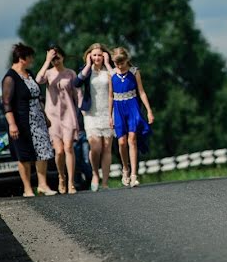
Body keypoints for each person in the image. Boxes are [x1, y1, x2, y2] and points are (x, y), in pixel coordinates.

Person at [2, 43, 57, 197]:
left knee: (42, 151)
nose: (32, 59)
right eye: (30, 57)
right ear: (21, 59)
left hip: (37, 118)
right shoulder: (10, 78)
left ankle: (43, 185)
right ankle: (27, 188)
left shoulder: (30, 74)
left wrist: (45, 117)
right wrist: (12, 124)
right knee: (24, 155)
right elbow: (6, 104)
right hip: (21, 122)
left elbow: (38, 97)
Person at [36, 45, 80, 194]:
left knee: (68, 148)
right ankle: (62, 176)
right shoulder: (48, 73)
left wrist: (84, 112)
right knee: (59, 151)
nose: (56, 61)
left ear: (63, 57)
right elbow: (38, 79)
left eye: (57, 57)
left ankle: (71, 182)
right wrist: (47, 60)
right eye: (53, 58)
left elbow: (77, 94)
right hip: (52, 116)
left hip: (68, 114)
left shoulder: (70, 73)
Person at [109, 47, 154, 188]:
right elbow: (110, 95)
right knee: (121, 142)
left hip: (132, 105)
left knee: (132, 139)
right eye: (116, 63)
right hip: (118, 107)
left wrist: (148, 110)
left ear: (127, 60)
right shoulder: (112, 75)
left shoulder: (134, 72)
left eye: (121, 63)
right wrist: (109, 115)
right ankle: (125, 168)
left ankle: (134, 174)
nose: (119, 66)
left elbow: (141, 92)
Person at [74, 43, 114, 191]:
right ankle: (95, 174)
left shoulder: (109, 70)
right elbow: (76, 83)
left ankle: (105, 182)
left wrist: (109, 63)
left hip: (108, 112)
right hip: (91, 114)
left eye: (99, 55)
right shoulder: (86, 71)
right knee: (95, 147)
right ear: (90, 56)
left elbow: (116, 79)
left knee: (107, 148)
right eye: (94, 55)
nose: (97, 58)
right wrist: (88, 65)